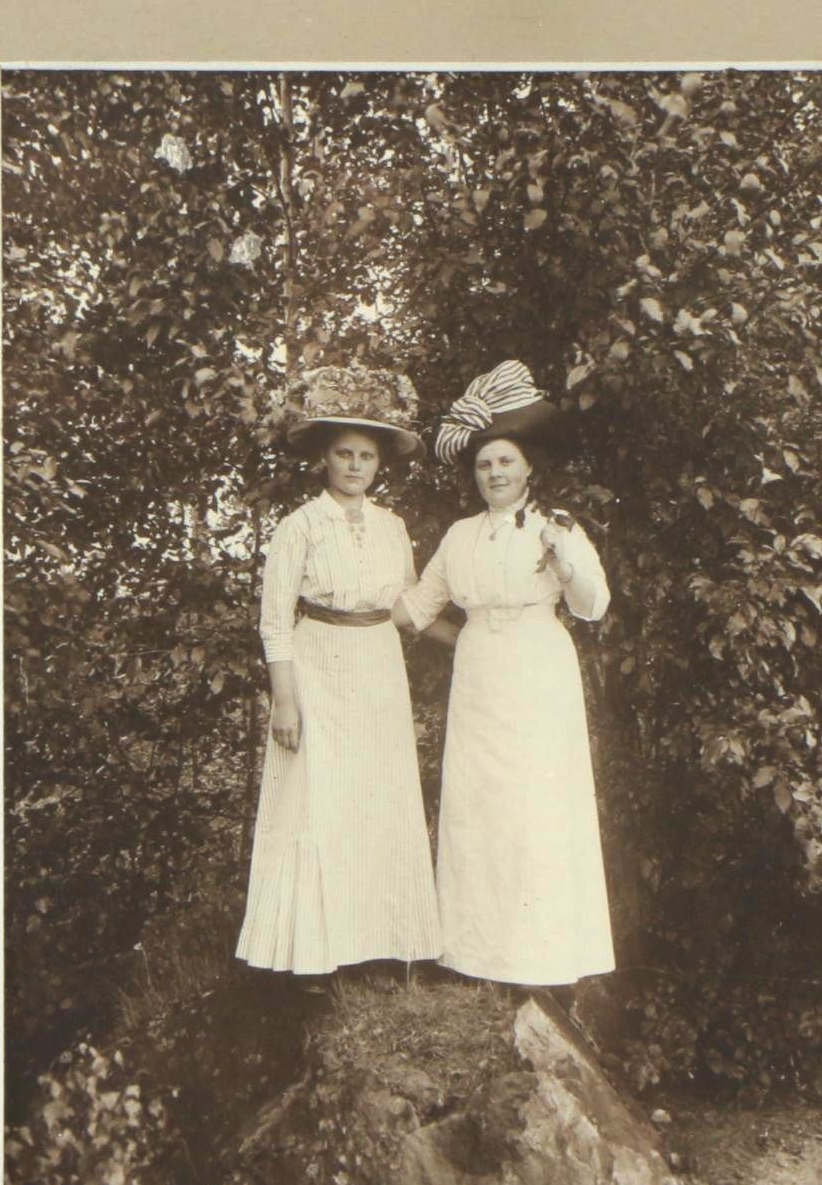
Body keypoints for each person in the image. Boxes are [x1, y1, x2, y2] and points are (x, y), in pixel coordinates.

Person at [395, 361, 615, 988]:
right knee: (477, 805)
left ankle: (542, 960)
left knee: (535, 805)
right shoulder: (460, 536)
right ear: (475, 475)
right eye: (485, 465)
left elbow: (594, 606)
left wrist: (564, 563)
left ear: (528, 470)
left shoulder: (558, 527)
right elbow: (414, 612)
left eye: (506, 463)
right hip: (480, 677)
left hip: (539, 671)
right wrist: (460, 637)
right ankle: (473, 956)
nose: (495, 474)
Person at [235, 365, 443, 979]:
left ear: (380, 466)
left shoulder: (393, 528)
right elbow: (275, 621)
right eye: (343, 454)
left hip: (377, 664)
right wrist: (286, 700)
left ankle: (382, 946)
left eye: (366, 456)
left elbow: (407, 609)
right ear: (324, 461)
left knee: (379, 795)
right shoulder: (299, 526)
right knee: (319, 799)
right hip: (318, 661)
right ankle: (313, 952)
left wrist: (473, 639)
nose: (355, 465)